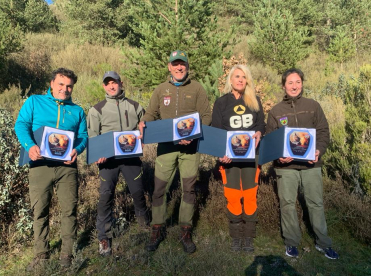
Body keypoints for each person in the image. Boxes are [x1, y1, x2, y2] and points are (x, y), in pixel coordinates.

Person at [138, 50, 212, 253]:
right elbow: (152, 112)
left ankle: (185, 230)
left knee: (188, 189)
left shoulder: (197, 88)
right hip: (166, 147)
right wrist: (144, 122)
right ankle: (157, 228)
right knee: (159, 189)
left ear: (187, 66)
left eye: (183, 64)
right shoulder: (161, 89)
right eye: (175, 64)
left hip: (191, 148)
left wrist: (194, 134)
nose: (179, 67)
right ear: (169, 66)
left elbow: (206, 115)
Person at [14, 68, 88, 269]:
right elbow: (21, 125)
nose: (65, 89)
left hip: (67, 167)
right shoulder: (34, 101)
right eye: (61, 84)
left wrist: (77, 149)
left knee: (69, 210)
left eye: (69, 86)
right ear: (52, 83)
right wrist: (30, 146)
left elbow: (83, 137)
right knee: (40, 211)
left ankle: (67, 254)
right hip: (40, 165)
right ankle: (41, 255)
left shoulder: (77, 111)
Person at [266, 68, 339, 259]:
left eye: (297, 82)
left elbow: (323, 132)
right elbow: (270, 139)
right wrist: (278, 156)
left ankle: (323, 243)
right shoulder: (275, 111)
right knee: (287, 203)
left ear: (302, 84)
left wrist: (318, 151)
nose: (294, 86)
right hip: (285, 167)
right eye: (290, 83)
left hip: (311, 165)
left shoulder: (313, 106)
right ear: (283, 86)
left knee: (316, 203)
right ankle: (291, 242)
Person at [87, 71, 149, 257]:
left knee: (138, 192)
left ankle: (145, 225)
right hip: (108, 162)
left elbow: (144, 126)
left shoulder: (135, 106)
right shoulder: (96, 110)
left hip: (131, 159)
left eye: (114, 83)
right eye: (108, 83)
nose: (112, 86)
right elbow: (92, 135)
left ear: (121, 83)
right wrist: (98, 154)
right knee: (106, 196)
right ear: (104, 86)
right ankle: (104, 236)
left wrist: (143, 133)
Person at [211, 65, 265, 252]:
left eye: (244, 77)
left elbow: (261, 125)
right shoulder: (221, 103)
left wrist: (258, 132)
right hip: (230, 159)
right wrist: (220, 154)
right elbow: (217, 130)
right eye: (237, 76)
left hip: (251, 157)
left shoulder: (254, 101)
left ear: (247, 80)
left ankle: (248, 236)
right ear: (230, 80)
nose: (240, 80)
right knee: (233, 196)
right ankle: (236, 237)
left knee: (250, 196)